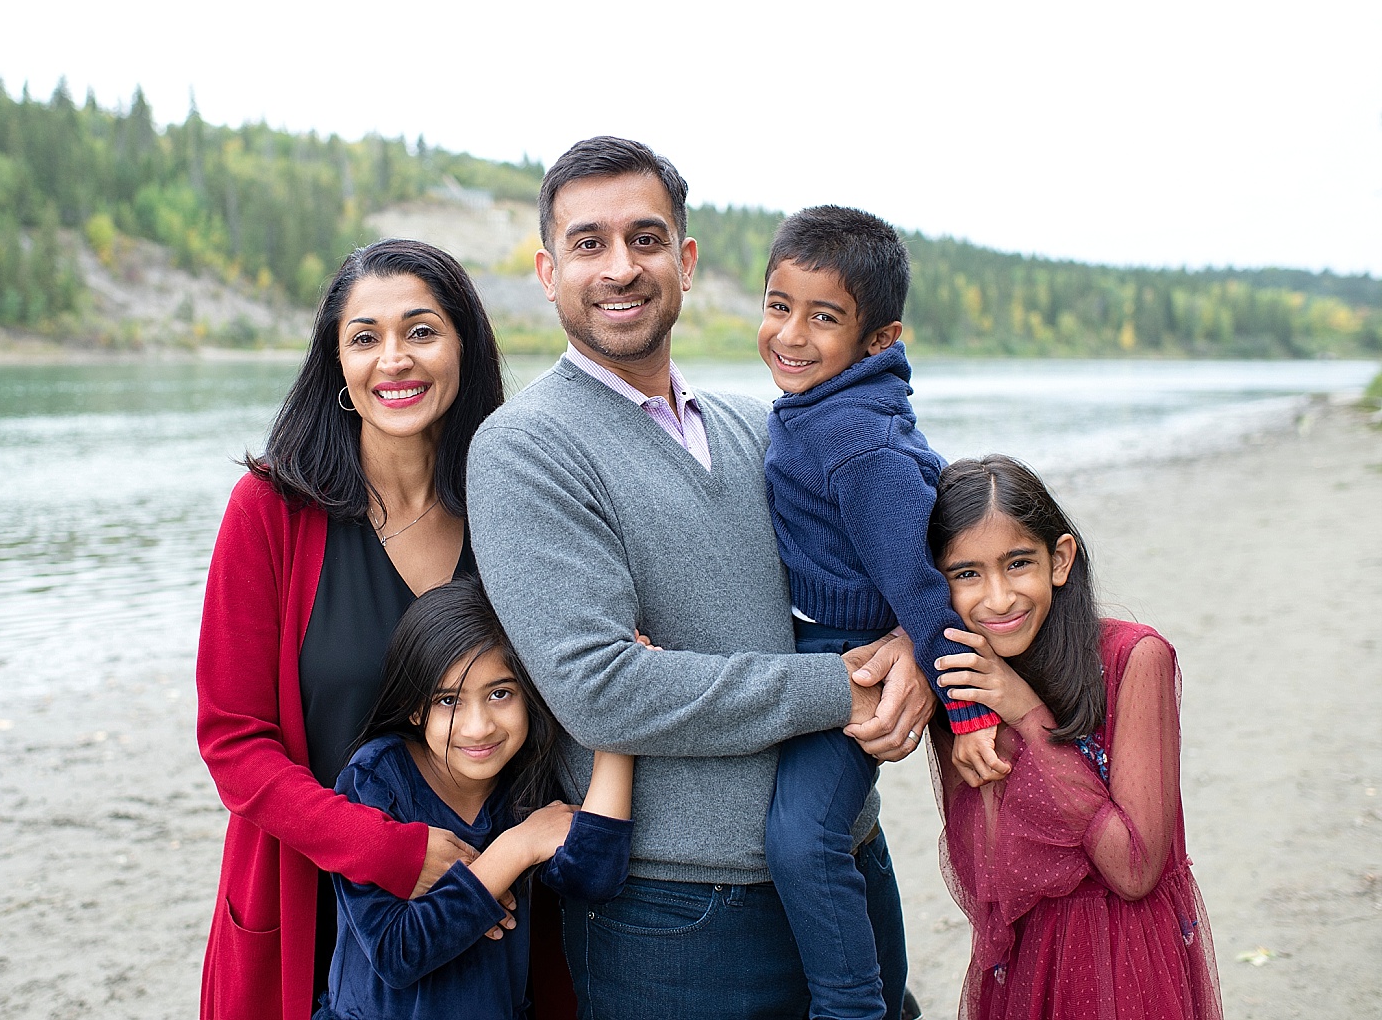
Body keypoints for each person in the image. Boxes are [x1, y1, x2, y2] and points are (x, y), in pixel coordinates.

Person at [466, 135, 937, 1019]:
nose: (620, 267)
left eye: (646, 239)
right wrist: (845, 684)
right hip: (681, 911)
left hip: (844, 859)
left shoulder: (763, 425)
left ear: (684, 262)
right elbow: (604, 691)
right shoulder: (524, 450)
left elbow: (885, 546)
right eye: (588, 243)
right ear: (546, 270)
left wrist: (912, 641)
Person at [195, 239, 507, 1020]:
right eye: (365, 337)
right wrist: (389, 853)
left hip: (487, 904)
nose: (394, 359)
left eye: (422, 331)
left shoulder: (509, 508)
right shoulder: (270, 512)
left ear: (464, 345)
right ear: (337, 366)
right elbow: (234, 742)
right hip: (314, 906)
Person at [758, 206, 1008, 1019]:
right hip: (812, 643)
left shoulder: (857, 441)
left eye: (822, 317)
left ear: (878, 339)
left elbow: (923, 584)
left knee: (802, 839)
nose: (790, 334)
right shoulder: (825, 409)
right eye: (777, 305)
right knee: (829, 829)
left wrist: (966, 710)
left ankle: (852, 1007)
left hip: (857, 653)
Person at [928, 455, 1222, 1020]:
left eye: (1018, 563)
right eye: (966, 573)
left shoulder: (1134, 659)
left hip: (1127, 954)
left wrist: (1027, 714)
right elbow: (989, 875)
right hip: (1023, 959)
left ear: (1059, 560)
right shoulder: (962, 685)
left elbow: (1134, 868)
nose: (997, 598)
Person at [317, 576, 633, 1019]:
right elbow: (396, 952)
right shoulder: (377, 781)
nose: (479, 726)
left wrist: (619, 721)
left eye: (500, 694)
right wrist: (513, 850)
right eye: (449, 701)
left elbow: (594, 878)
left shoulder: (524, 776)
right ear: (414, 706)